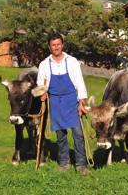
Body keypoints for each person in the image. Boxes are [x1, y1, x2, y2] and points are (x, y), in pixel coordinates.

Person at [36, 33, 90, 175]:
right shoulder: (44, 64)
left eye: (58, 44)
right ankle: (64, 164)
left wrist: (81, 101)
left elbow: (79, 82)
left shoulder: (71, 61)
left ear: (62, 45)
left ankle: (81, 165)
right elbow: (40, 84)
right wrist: (41, 93)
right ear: (49, 47)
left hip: (72, 101)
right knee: (61, 136)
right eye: (53, 45)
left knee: (78, 134)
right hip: (55, 102)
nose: (56, 47)